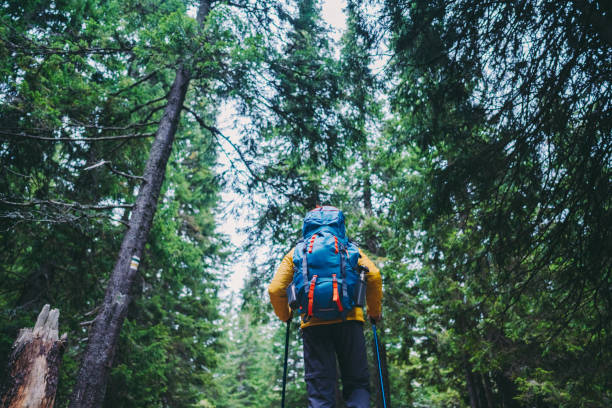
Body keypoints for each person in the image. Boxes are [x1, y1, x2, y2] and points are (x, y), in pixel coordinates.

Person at [268, 206, 383, 408]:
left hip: (313, 325)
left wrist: (286, 315)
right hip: (350, 321)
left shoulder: (297, 252)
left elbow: (275, 289)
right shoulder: (350, 248)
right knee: (357, 385)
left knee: (320, 393)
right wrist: (374, 313)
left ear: (307, 227)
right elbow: (373, 275)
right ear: (339, 225)